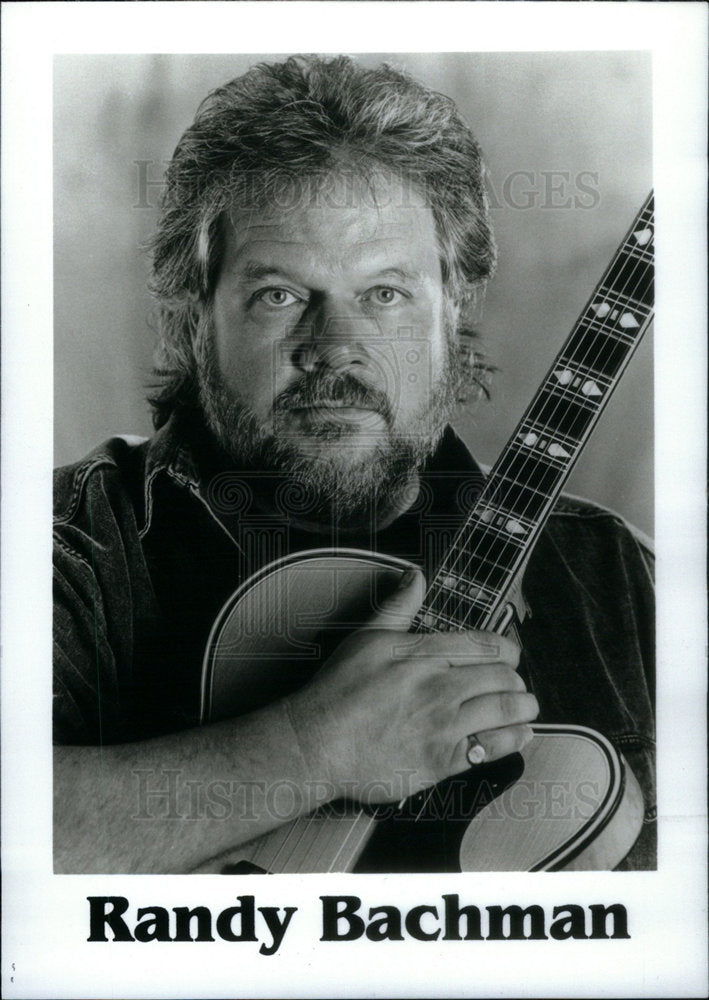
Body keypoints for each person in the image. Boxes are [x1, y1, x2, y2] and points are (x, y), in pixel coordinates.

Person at [53, 55, 655, 874]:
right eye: (278, 295)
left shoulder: (624, 577)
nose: (334, 349)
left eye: (385, 295)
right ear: (191, 318)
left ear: (455, 305)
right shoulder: (63, 554)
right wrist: (307, 750)